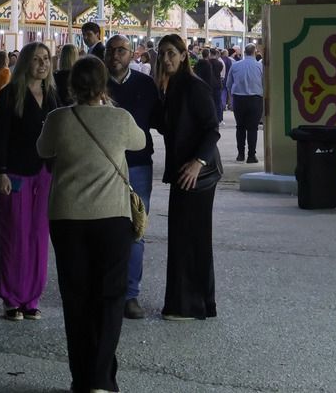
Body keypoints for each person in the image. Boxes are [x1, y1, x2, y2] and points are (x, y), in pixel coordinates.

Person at [37, 54, 144, 393]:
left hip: (67, 218)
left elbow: (43, 150)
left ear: (71, 85)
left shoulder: (57, 119)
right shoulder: (120, 119)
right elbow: (140, 142)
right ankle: (102, 379)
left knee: (76, 298)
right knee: (110, 298)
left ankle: (82, 378)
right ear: (104, 85)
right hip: (112, 218)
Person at [0, 41, 61, 320]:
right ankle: (11, 297)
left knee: (38, 237)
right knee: (14, 236)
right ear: (25, 64)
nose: (42, 64)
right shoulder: (10, 94)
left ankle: (32, 298)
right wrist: (0, 172)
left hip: (46, 173)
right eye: (36, 59)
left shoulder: (53, 94)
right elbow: (0, 138)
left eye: (46, 59)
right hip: (16, 173)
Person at [153, 33, 220, 320]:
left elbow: (212, 128)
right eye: (162, 54)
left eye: (171, 53)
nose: (166, 59)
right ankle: (195, 303)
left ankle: (189, 305)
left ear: (183, 55)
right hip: (185, 171)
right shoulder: (172, 87)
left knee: (190, 237)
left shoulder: (193, 86)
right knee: (185, 236)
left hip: (197, 174)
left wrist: (197, 163)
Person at [103, 35, 158, 319]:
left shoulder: (145, 85)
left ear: (131, 55)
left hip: (137, 166)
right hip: (102, 167)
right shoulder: (96, 85)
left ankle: (130, 295)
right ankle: (105, 291)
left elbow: (160, 120)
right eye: (111, 50)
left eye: (121, 51)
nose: (115, 55)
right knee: (104, 229)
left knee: (136, 230)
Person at [229, 43, 265, 164]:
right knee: (252, 128)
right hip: (255, 99)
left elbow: (229, 84)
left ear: (244, 52)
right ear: (255, 52)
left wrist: (232, 95)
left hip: (239, 99)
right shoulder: (260, 67)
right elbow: (265, 83)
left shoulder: (235, 66)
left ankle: (240, 154)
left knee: (240, 127)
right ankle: (251, 155)